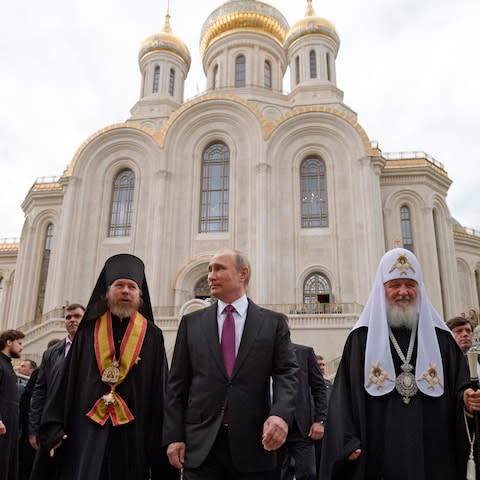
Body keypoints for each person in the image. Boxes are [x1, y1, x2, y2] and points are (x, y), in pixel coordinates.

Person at [319, 247, 480, 480]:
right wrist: (346, 439)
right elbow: (344, 396)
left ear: (419, 288)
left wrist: (464, 401)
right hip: (377, 449)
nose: (403, 292)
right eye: (395, 285)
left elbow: (459, 388)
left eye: (410, 285)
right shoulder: (361, 339)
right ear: (382, 288)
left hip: (433, 451)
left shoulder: (442, 340)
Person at [36, 254, 178, 480]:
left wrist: (164, 438)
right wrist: (53, 427)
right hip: (87, 431)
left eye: (132, 286)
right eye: (119, 285)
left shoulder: (152, 335)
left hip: (134, 433)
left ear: (139, 295)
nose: (125, 291)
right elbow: (67, 382)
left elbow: (161, 390)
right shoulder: (87, 331)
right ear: (107, 292)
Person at [164, 248, 299, 479]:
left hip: (255, 445)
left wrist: (280, 414)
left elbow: (287, 373)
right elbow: (177, 384)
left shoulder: (272, 323)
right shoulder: (191, 324)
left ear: (242, 273)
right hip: (202, 447)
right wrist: (174, 436)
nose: (211, 276)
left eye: (219, 268)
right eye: (209, 270)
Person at [28, 304, 85, 478]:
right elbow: (40, 392)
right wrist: (34, 429)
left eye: (76, 316)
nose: (72, 320)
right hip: (51, 425)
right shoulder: (51, 353)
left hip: (81, 428)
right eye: (68, 317)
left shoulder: (94, 349)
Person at [273, 342, 327, 480]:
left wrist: (320, 421)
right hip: (270, 426)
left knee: (308, 473)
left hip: (302, 428)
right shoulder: (260, 353)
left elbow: (319, 388)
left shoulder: (305, 353)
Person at [0, 329, 25, 480]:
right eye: (19, 343)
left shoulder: (7, 365)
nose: (22, 347)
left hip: (10, 425)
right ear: (8, 342)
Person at [314, 354, 333, 476]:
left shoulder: (329, 384)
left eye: (323, 365)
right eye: (319, 365)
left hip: (328, 429)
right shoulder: (307, 384)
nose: (322, 367)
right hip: (313, 428)